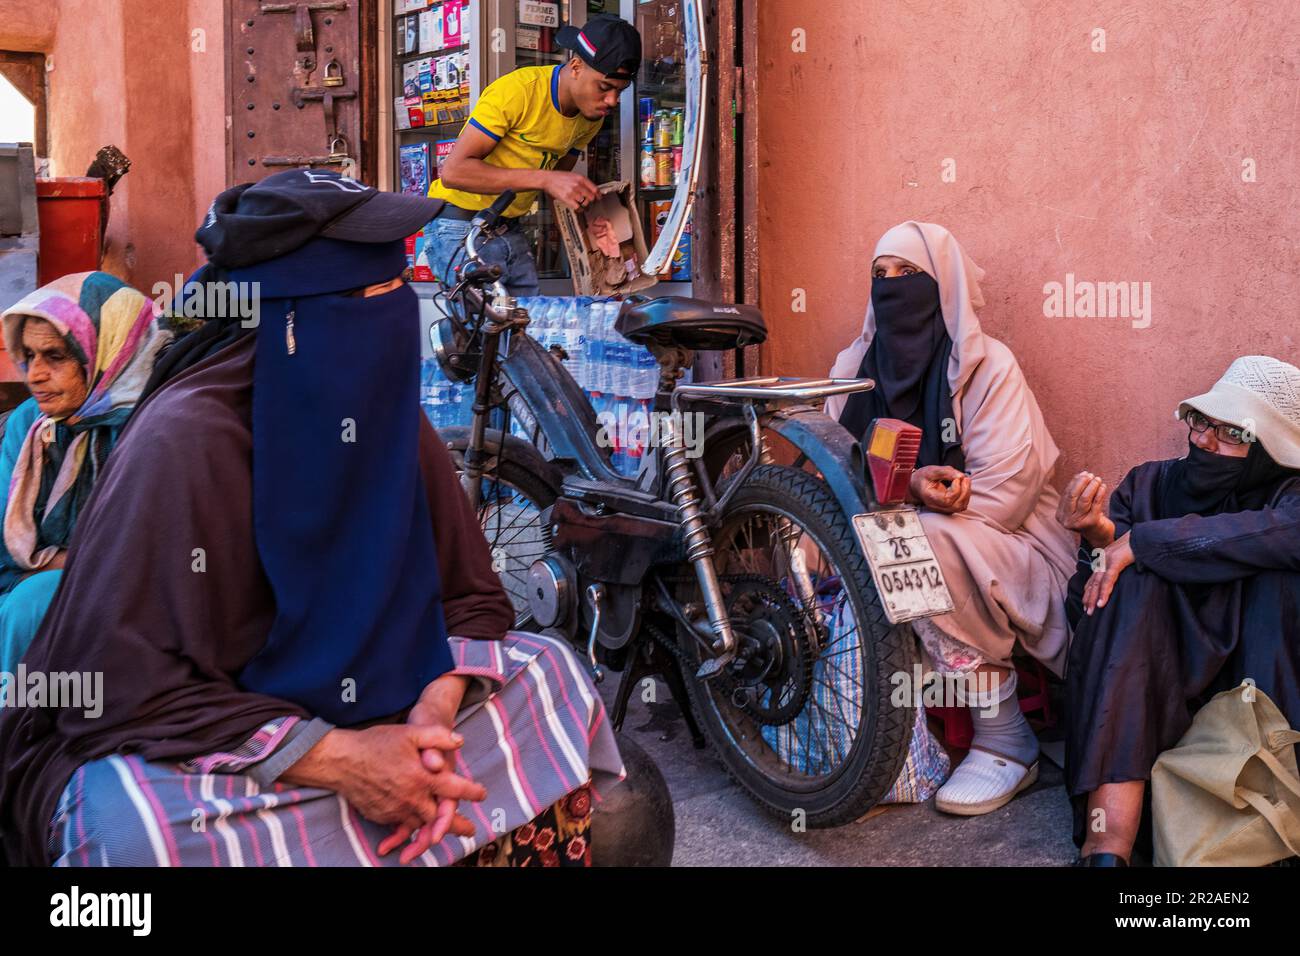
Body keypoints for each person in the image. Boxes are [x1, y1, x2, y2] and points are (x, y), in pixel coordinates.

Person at [0, 169, 622, 867]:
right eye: (374, 297)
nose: (395, 320)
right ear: (295, 319)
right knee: (132, 831)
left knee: (554, 676)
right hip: (220, 736)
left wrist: (433, 719)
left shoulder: (382, 415)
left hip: (391, 710)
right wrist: (340, 759)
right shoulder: (185, 441)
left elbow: (471, 598)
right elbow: (121, 687)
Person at [827, 222, 1076, 816]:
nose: (890, 288)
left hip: (1006, 551)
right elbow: (831, 476)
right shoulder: (853, 367)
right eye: (879, 276)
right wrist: (903, 486)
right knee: (813, 538)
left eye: (907, 275)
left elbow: (1008, 496)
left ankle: (1003, 737)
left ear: (943, 285)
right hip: (884, 541)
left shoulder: (986, 368)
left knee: (918, 542)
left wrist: (917, 501)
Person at [1059, 356, 1300, 866]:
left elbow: (1282, 537)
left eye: (1231, 432)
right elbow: (1085, 604)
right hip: (1144, 699)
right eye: (1202, 421)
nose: (1205, 441)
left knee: (1277, 579)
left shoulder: (1289, 497)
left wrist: (1143, 543)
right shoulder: (1148, 485)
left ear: (1268, 451)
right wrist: (1101, 537)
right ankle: (1107, 847)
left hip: (1246, 699)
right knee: (1129, 589)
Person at [0, 273, 170, 674]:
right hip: (25, 588)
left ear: (105, 351)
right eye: (28, 355)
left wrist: (52, 566)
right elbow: (5, 545)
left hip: (133, 611)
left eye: (55, 356)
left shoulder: (156, 424)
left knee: (33, 603)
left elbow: (147, 558)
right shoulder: (32, 424)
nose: (35, 374)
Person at [424, 14, 641, 293]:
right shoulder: (518, 91)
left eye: (619, 91)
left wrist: (595, 230)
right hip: (459, 226)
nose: (612, 101)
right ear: (575, 66)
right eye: (604, 87)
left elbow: (559, 184)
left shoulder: (591, 118)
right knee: (486, 330)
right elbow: (454, 172)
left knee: (527, 326)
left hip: (506, 226)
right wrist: (546, 180)